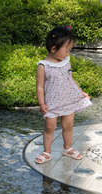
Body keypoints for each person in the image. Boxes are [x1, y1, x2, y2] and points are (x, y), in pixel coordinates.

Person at [35, 25, 92, 164]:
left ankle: (67, 148)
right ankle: (47, 152)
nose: (68, 53)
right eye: (66, 50)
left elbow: (70, 79)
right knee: (50, 128)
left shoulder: (66, 62)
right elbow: (40, 87)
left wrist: (80, 91)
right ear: (53, 49)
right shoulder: (43, 66)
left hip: (67, 100)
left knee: (68, 126)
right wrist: (42, 103)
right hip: (52, 104)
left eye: (69, 50)